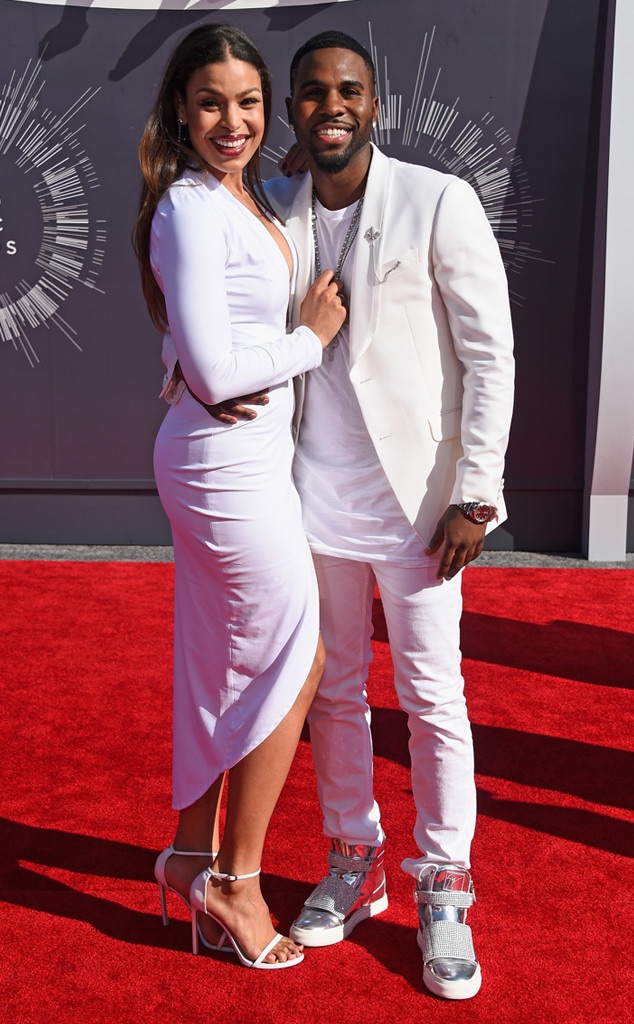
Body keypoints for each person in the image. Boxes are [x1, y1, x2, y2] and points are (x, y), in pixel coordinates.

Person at [258, 30, 514, 999]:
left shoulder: (436, 199)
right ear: (294, 111)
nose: (332, 104)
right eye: (314, 92)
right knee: (333, 696)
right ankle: (352, 860)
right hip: (309, 502)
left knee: (431, 695)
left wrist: (473, 495)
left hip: (420, 511)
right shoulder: (271, 209)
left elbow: (490, 356)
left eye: (348, 91)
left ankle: (443, 886)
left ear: (376, 104)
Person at [133, 24, 345, 971]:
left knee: (219, 664)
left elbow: (204, 341)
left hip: (244, 457)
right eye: (212, 101)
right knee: (295, 659)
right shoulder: (186, 204)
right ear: (180, 107)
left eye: (249, 102)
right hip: (222, 463)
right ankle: (235, 882)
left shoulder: (240, 195)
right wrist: (311, 339)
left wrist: (286, 171)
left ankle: (188, 855)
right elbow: (220, 369)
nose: (233, 119)